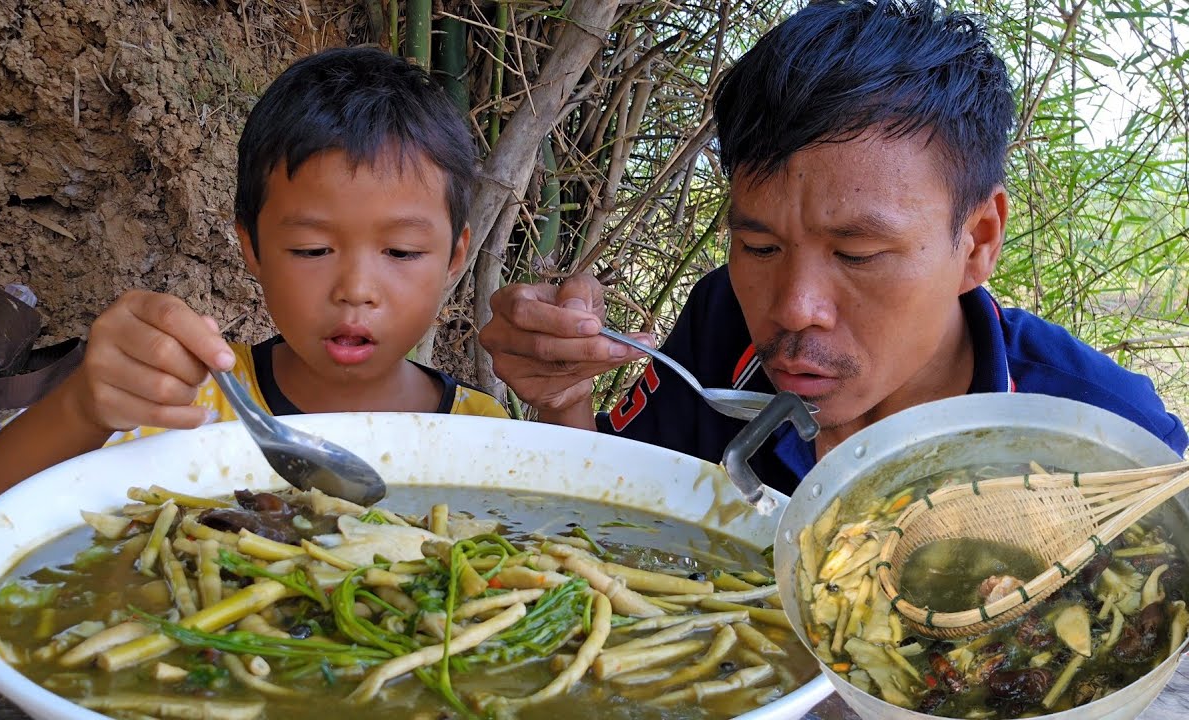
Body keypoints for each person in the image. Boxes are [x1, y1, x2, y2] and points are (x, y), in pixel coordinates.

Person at [478, 0, 1188, 497]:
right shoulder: (722, 322)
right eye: (758, 244)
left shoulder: (1100, 434)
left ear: (977, 242)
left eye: (856, 255)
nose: (794, 308)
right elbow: (619, 512)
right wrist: (561, 399)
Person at [0, 47, 507, 534]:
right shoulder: (188, 405)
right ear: (252, 248)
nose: (356, 290)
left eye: (402, 253)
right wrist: (82, 408)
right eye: (312, 250)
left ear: (455, 256)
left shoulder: (478, 432)